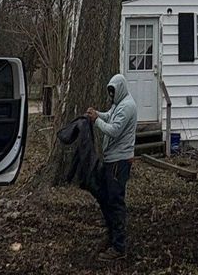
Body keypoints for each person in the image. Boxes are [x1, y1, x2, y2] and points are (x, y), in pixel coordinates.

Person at [87, 73, 137, 261]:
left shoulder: (127, 106)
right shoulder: (119, 103)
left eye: (112, 92)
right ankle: (112, 237)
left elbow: (114, 130)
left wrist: (96, 121)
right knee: (107, 198)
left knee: (115, 202)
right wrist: (98, 114)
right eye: (110, 93)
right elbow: (109, 115)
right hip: (112, 159)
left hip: (119, 161)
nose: (110, 96)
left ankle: (119, 246)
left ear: (120, 89)